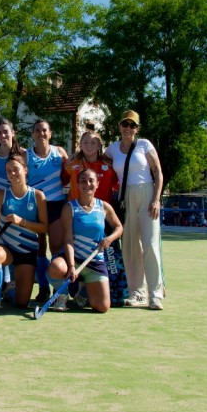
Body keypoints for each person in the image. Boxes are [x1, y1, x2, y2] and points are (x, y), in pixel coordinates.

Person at [104, 110, 164, 310]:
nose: (128, 128)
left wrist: (156, 199)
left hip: (147, 194)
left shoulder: (144, 145)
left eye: (132, 125)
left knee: (150, 244)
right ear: (119, 126)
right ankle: (137, 293)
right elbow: (98, 161)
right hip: (125, 197)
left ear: (137, 128)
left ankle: (155, 295)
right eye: (125, 124)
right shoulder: (112, 149)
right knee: (130, 247)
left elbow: (157, 172)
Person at [45, 168, 123, 312]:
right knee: (55, 268)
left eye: (91, 181)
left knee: (102, 307)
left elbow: (119, 227)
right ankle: (62, 295)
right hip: (74, 259)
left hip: (95, 260)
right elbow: (68, 239)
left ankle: (82, 291)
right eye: (83, 181)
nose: (87, 184)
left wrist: (109, 239)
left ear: (97, 184)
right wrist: (71, 266)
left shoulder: (104, 207)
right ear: (78, 185)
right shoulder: (69, 207)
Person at [64, 129, 126, 306]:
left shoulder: (108, 166)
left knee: (109, 256)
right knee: (75, 252)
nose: (89, 146)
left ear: (99, 145)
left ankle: (115, 292)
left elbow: (117, 186)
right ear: (80, 145)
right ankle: (75, 288)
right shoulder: (72, 165)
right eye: (85, 142)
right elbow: (62, 180)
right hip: (78, 217)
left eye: (93, 142)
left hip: (102, 218)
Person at [0, 154, 48, 313]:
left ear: (25, 170)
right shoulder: (0, 195)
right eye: (8, 171)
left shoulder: (38, 196)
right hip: (6, 248)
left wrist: (21, 221)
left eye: (16, 169)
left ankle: (10, 290)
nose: (12, 173)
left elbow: (44, 228)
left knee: (22, 303)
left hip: (27, 251)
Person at [26, 119, 69, 302]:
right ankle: (43, 287)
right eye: (37, 130)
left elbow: (70, 175)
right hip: (36, 206)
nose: (41, 133)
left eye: (44, 130)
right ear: (33, 134)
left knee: (56, 247)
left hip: (56, 205)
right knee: (39, 248)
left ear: (50, 133)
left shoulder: (59, 152)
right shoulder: (26, 155)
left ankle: (57, 289)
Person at [0, 118, 26, 294]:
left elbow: (26, 178)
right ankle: (4, 282)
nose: (2, 135)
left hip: (15, 199)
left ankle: (14, 283)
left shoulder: (23, 153)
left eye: (6, 132)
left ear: (13, 133)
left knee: (14, 237)